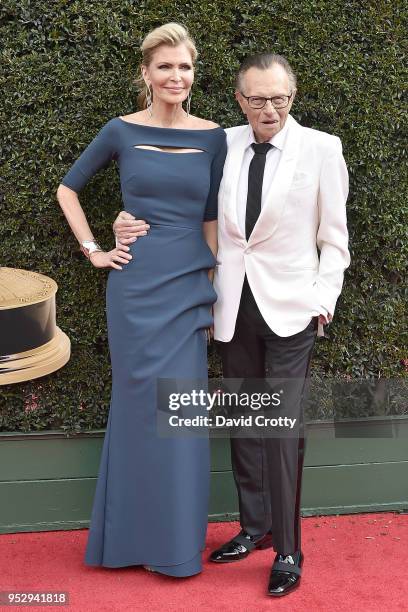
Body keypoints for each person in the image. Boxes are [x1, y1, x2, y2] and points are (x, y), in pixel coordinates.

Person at [113, 52, 350, 596]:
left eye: (280, 98)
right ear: (240, 100)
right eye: (258, 99)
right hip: (230, 305)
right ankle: (255, 527)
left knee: (280, 428)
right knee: (246, 423)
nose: (269, 109)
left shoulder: (321, 149)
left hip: (292, 309)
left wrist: (321, 300)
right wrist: (124, 217)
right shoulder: (223, 142)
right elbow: (177, 201)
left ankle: (289, 548)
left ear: (293, 95)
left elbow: (335, 239)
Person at [56, 22, 227, 577]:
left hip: (186, 290)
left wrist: (210, 292)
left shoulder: (214, 136)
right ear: (147, 74)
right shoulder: (120, 131)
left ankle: (174, 547)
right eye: (166, 67)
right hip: (134, 288)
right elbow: (68, 187)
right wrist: (95, 249)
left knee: (179, 414)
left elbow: (210, 221)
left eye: (185, 67)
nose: (177, 76)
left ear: (193, 74)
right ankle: (125, 543)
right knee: (137, 412)